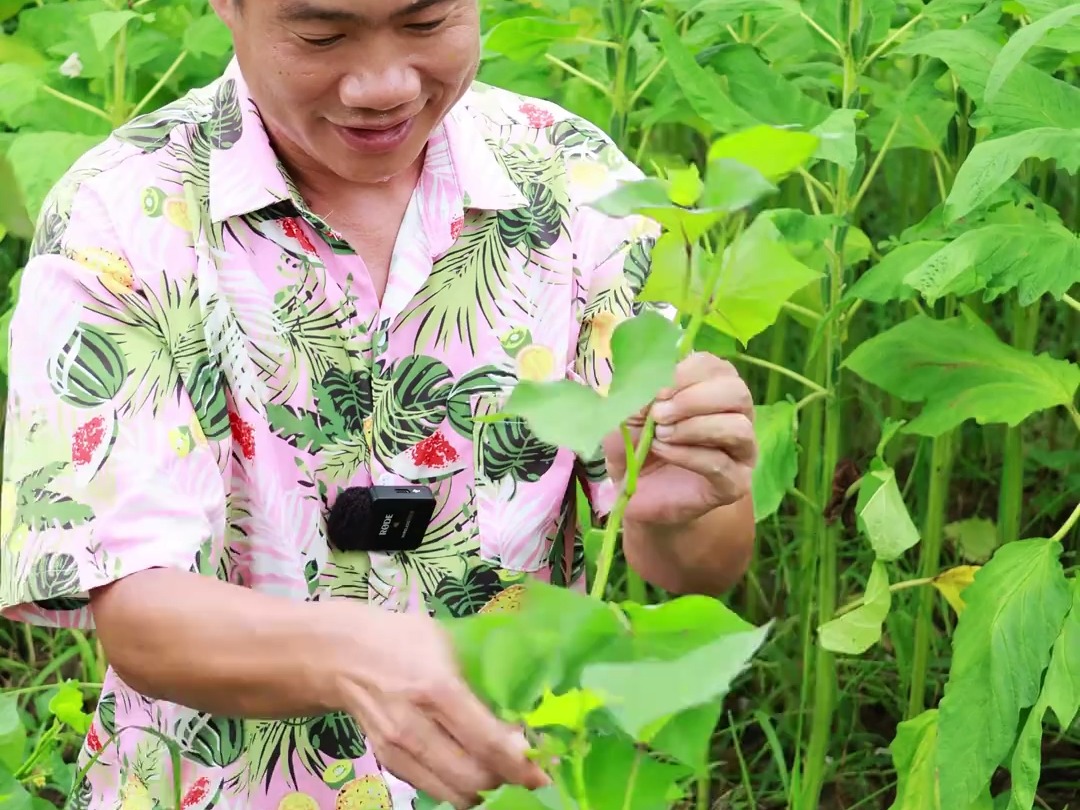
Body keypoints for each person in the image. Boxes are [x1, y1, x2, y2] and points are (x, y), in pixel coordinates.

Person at [0, 0, 758, 808]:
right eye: (322, 36)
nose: (383, 85)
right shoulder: (125, 214)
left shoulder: (573, 184)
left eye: (427, 24)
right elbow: (138, 607)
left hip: (516, 782)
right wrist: (357, 655)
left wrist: (680, 503)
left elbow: (704, 567)